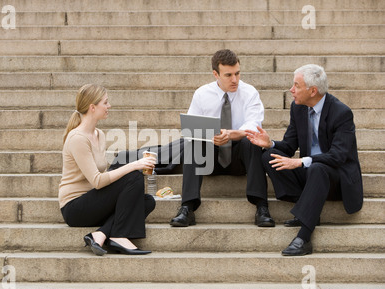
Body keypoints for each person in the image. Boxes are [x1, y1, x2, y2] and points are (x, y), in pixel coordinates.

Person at [246, 64, 363, 256]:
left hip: (336, 177)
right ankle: (307, 205)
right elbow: (289, 146)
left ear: (312, 91)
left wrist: (301, 162)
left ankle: (304, 237)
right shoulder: (298, 108)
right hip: (311, 175)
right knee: (269, 157)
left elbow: (338, 156)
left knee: (317, 168)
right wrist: (270, 144)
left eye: (296, 86)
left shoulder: (341, 113)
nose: (291, 90)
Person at [170, 49, 274, 228]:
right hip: (210, 158)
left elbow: (254, 126)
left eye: (237, 73)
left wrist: (229, 134)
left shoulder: (249, 93)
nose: (234, 80)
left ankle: (261, 206)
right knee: (193, 142)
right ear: (215, 74)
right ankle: (187, 207)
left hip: (239, 158)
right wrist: (212, 137)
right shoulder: (202, 94)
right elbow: (191, 128)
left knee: (251, 140)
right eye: (228, 75)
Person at [59, 84, 157, 256]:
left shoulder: (99, 134)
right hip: (75, 207)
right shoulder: (78, 138)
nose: (109, 106)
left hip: (94, 201)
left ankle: (101, 234)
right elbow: (97, 181)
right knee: (133, 175)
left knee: (147, 201)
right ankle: (119, 235)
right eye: (105, 102)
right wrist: (135, 165)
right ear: (92, 107)